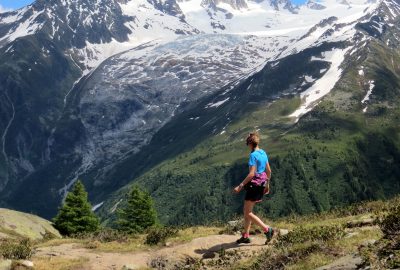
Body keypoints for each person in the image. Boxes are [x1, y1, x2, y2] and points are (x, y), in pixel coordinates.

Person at [233, 132, 274, 244]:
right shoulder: (263, 153)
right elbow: (269, 171)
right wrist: (267, 184)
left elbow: (251, 174)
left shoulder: (253, 155)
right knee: (248, 211)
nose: (247, 146)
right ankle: (245, 236)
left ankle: (267, 229)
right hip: (261, 184)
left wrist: (240, 186)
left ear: (251, 143)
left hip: (254, 185)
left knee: (247, 213)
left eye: (247, 143)